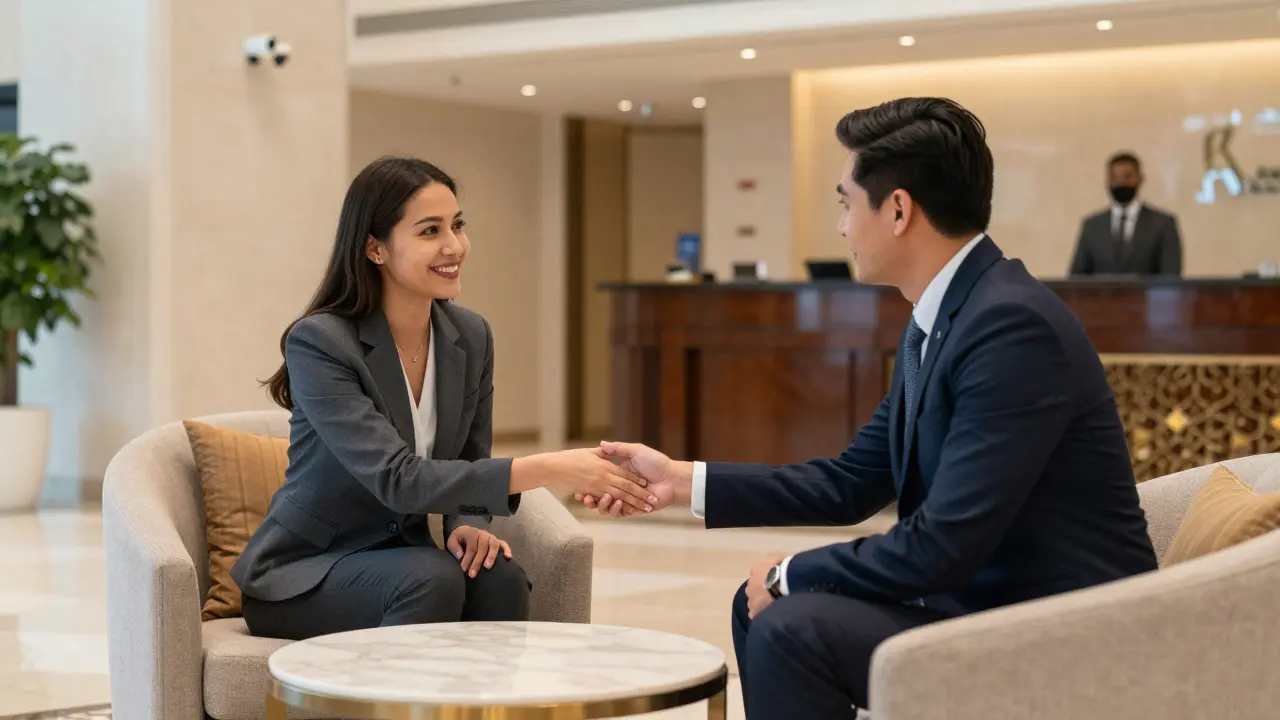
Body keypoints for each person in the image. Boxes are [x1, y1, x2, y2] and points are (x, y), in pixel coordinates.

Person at [578, 98, 1158, 718]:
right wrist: (680, 480)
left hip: (1064, 632)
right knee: (760, 609)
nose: (842, 227)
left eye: (845, 204)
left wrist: (790, 572)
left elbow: (944, 543)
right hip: (984, 604)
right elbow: (853, 481)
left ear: (900, 210)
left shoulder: (1010, 327)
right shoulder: (945, 317)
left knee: (788, 624)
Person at [234, 156, 656, 640]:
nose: (454, 246)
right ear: (376, 248)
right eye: (430, 231)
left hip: (403, 558)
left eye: (457, 225)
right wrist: (554, 468)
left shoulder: (470, 335)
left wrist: (468, 521)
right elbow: (397, 479)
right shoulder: (321, 342)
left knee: (498, 578)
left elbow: (469, 457)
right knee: (429, 579)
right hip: (304, 574)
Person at [1069, 152, 1183, 276]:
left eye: (1127, 177)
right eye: (1115, 178)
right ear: (1107, 181)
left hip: (1146, 295)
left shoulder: (1162, 224)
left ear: (1140, 178)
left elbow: (1170, 276)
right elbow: (1077, 278)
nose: (1121, 183)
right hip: (1101, 295)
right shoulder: (1092, 226)